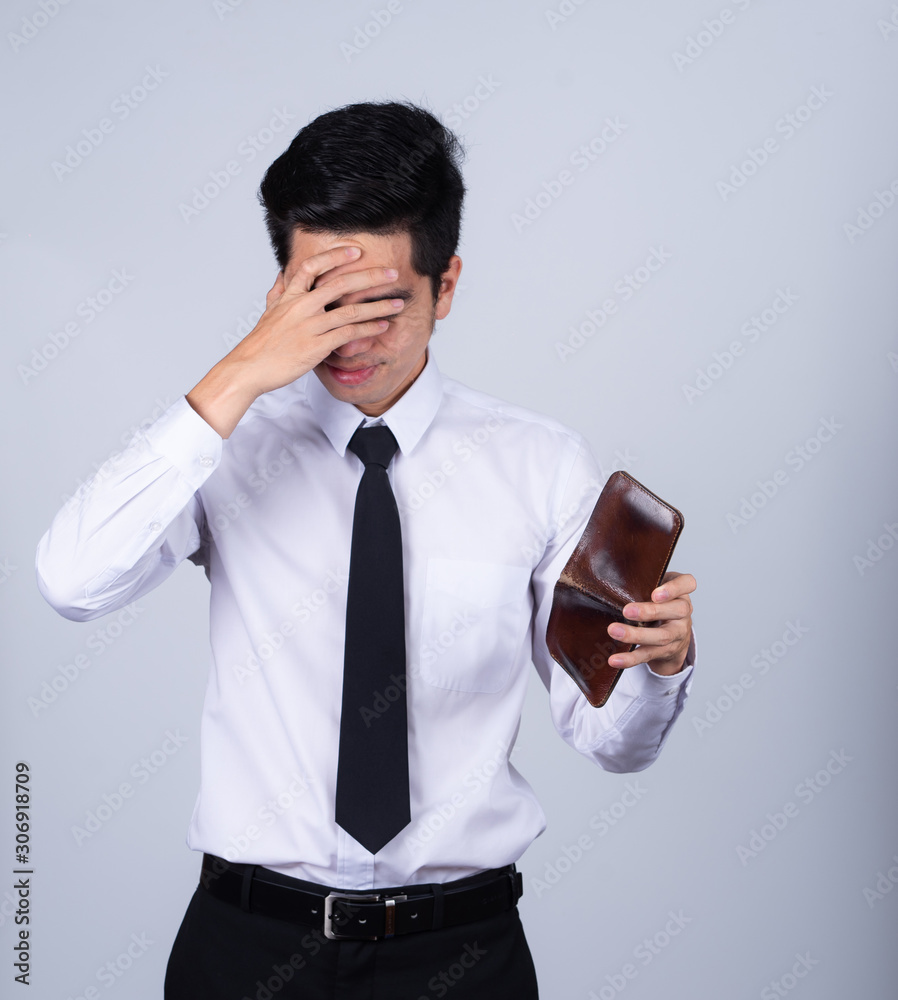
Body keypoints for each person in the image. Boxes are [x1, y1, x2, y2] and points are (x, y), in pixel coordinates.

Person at [36, 100, 697, 999]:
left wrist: (657, 667)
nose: (349, 337)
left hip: (462, 957)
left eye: (383, 305)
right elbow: (71, 581)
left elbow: (613, 743)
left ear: (445, 286)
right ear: (280, 292)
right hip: (248, 951)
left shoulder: (539, 466)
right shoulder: (224, 443)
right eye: (320, 302)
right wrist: (240, 372)